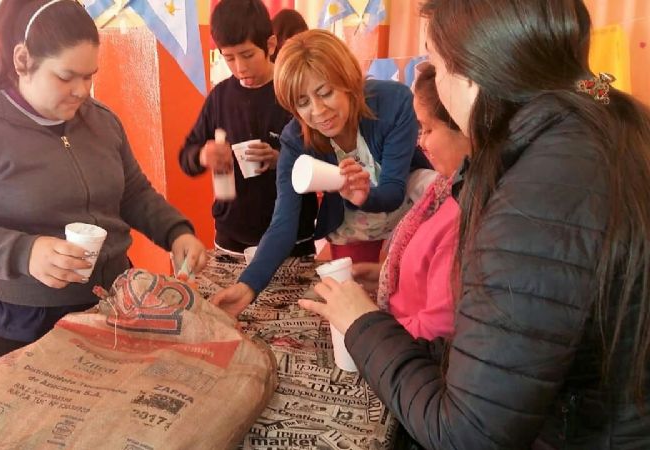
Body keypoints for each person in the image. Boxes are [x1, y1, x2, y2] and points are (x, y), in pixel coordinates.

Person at [300, 0, 650, 448]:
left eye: (435, 64)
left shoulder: (537, 196)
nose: (433, 80)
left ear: (473, 76)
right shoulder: (598, 114)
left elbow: (468, 433)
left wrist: (363, 324)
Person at [0, 0, 207, 366]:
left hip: (115, 304)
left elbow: (133, 192)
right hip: (25, 323)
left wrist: (176, 232)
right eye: (66, 77)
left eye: (89, 76)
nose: (82, 91)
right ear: (22, 60)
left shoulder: (101, 121)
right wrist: (24, 252)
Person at [214, 29, 431, 317]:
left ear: (348, 80)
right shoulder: (295, 139)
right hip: (355, 226)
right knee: (358, 303)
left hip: (408, 211)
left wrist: (364, 195)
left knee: (411, 299)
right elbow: (283, 224)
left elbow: (393, 190)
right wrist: (247, 287)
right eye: (303, 102)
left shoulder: (393, 102)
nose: (319, 112)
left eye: (325, 92)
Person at [178, 0, 317, 258]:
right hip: (232, 241)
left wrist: (281, 160)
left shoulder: (294, 92)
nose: (240, 67)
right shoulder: (220, 97)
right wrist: (202, 155)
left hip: (292, 239)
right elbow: (186, 157)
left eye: (247, 55)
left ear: (270, 45)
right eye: (229, 58)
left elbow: (324, 155)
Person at [351, 62, 469, 341]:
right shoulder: (442, 190)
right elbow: (429, 277)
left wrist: (363, 326)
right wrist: (385, 276)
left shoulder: (463, 215)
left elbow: (437, 329)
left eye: (428, 129)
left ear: (466, 128)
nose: (420, 143)